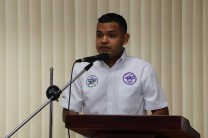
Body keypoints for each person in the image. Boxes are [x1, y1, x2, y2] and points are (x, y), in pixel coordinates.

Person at [61, 13, 169, 123]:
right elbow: (70, 112)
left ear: (125, 39)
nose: (103, 40)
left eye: (111, 35)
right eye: (99, 35)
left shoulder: (143, 69)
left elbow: (160, 111)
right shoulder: (82, 69)